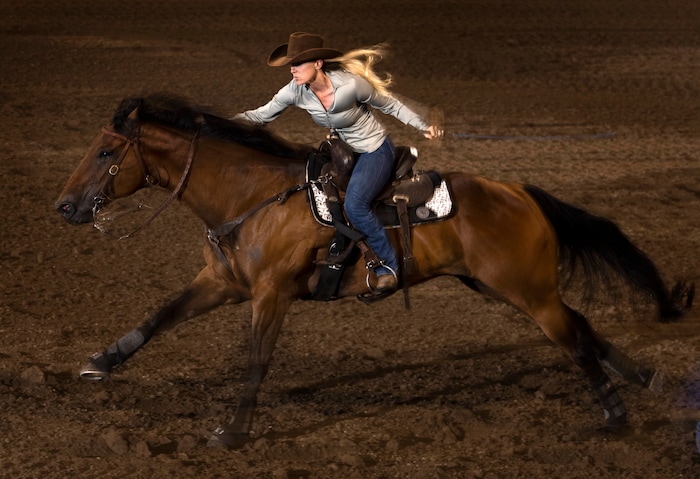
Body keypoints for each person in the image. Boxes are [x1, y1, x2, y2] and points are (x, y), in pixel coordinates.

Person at [234, 32, 443, 294]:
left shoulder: (351, 85)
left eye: (298, 63)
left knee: (355, 205)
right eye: (291, 64)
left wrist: (423, 125)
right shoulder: (294, 91)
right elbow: (260, 115)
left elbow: (390, 105)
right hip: (342, 152)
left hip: (374, 151)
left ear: (318, 64)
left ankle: (388, 266)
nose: (292, 69)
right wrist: (219, 124)